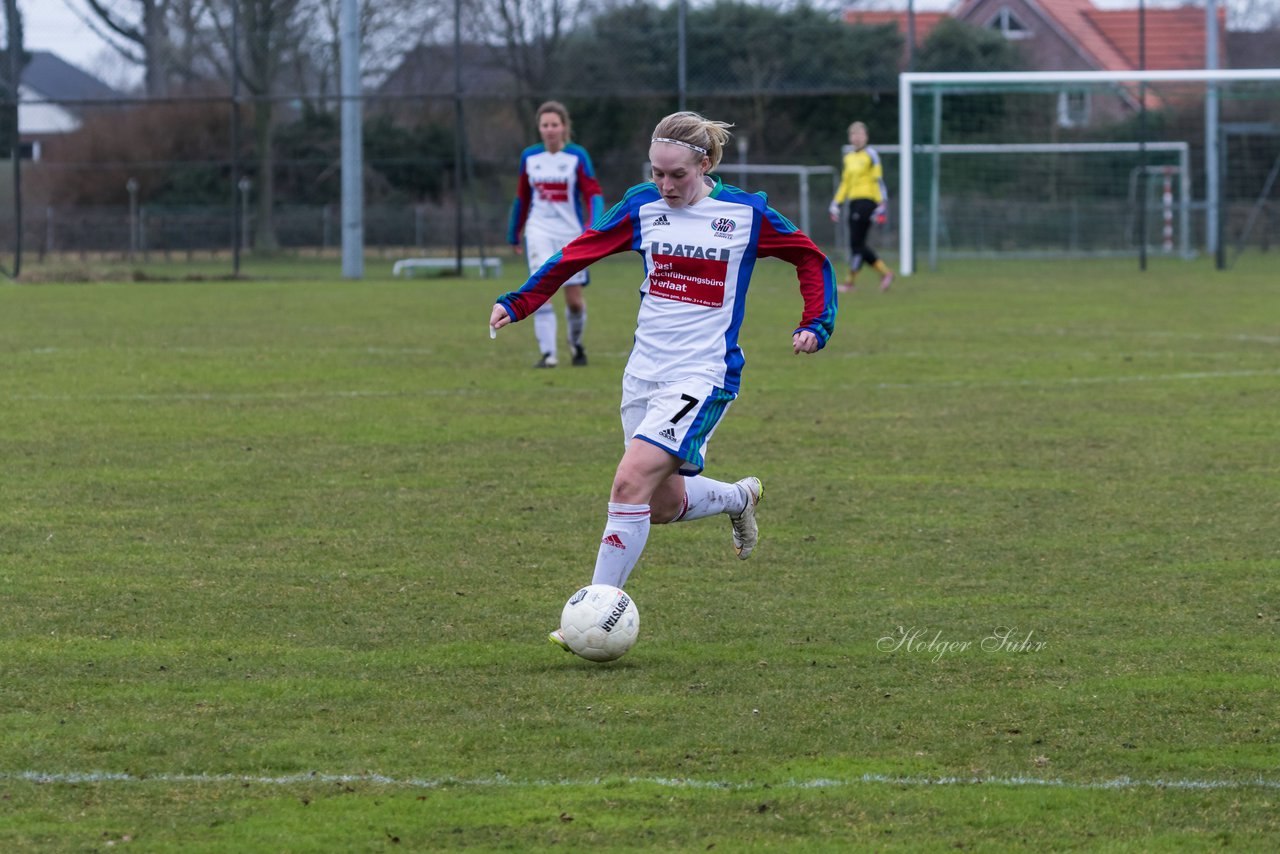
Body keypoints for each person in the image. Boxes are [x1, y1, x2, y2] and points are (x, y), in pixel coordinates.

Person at [488, 111, 838, 655]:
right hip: (643, 373)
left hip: (704, 374)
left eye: (676, 175)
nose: (665, 186)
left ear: (705, 163)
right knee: (660, 504)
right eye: (657, 173)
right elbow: (577, 252)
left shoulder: (745, 214)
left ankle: (593, 612)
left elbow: (810, 258)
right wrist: (520, 300)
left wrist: (815, 322)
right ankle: (738, 497)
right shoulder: (641, 207)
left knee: (628, 481)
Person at [508, 100, 606, 368]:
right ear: (539, 128)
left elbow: (593, 193)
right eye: (545, 125)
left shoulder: (577, 156)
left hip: (571, 234)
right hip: (538, 230)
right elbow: (522, 197)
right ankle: (549, 354)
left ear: (564, 127)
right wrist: (514, 232)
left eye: (555, 124)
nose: (550, 130)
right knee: (541, 292)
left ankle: (576, 345)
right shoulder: (530, 157)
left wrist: (593, 227)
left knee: (574, 301)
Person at [829, 121, 894, 293]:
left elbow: (878, 180)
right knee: (858, 245)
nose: (857, 138)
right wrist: (836, 203)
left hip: (867, 202)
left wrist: (882, 204)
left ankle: (851, 283)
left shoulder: (871, 155)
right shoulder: (848, 158)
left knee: (856, 244)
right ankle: (884, 274)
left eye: (860, 134)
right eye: (853, 135)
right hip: (854, 203)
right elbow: (845, 183)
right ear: (850, 138)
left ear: (866, 137)